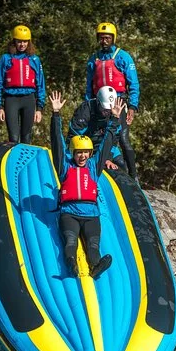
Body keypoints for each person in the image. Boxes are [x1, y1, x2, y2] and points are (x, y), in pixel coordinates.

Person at [49, 90, 124, 279]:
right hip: (69, 214)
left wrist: (115, 118)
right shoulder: (64, 167)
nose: (82, 156)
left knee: (93, 246)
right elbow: (57, 143)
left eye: (85, 153)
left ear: (90, 154)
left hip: (91, 215)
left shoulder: (93, 166)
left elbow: (107, 142)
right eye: (79, 152)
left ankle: (96, 265)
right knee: (70, 242)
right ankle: (71, 264)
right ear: (73, 153)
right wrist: (56, 114)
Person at [85, 22, 140, 180]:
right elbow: (89, 86)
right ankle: (99, 170)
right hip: (99, 104)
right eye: (102, 38)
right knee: (98, 137)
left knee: (123, 138)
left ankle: (134, 177)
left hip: (118, 102)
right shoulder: (93, 59)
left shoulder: (123, 57)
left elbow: (134, 84)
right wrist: (88, 105)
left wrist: (132, 107)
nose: (104, 41)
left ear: (113, 38)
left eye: (107, 38)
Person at [0, 25, 46, 143]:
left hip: (29, 99)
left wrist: (39, 108)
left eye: (25, 41)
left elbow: (40, 83)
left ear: (29, 42)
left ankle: (25, 155)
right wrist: (0, 106)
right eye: (19, 41)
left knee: (26, 137)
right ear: (14, 41)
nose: (22, 44)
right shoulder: (6, 58)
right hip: (11, 99)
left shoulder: (34, 59)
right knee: (13, 137)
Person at [67, 87, 128, 171]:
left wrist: (107, 158)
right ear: (98, 102)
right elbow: (74, 136)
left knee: (121, 163)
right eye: (104, 108)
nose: (107, 112)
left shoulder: (115, 112)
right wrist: (86, 154)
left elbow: (114, 139)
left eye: (109, 109)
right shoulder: (85, 111)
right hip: (85, 146)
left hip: (105, 145)